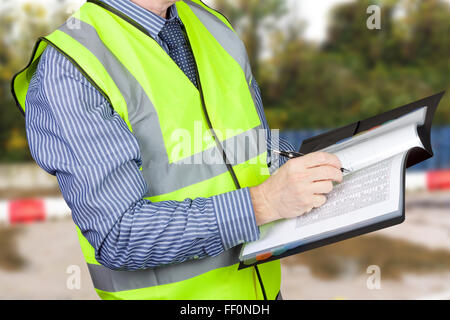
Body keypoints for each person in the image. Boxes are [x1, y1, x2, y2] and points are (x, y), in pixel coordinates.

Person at [11, 0, 343, 300]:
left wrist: (326, 165)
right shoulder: (70, 69)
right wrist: (264, 203)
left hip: (263, 294)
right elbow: (118, 234)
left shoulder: (211, 24)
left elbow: (252, 147)